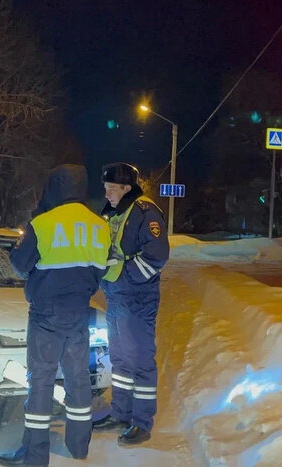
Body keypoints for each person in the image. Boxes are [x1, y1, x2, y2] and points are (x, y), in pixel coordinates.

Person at [0, 164, 111, 467]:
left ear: (54, 187)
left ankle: (35, 456)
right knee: (77, 379)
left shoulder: (44, 224)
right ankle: (78, 447)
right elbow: (103, 268)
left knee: (41, 381)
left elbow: (20, 267)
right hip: (79, 312)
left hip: (46, 314)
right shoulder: (99, 225)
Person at [92, 162, 169, 446]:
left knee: (139, 361)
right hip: (116, 295)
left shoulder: (144, 212)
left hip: (137, 298)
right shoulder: (115, 211)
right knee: (121, 359)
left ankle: (142, 422)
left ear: (127, 188)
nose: (108, 194)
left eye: (112, 189)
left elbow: (157, 255)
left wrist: (125, 272)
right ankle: (121, 413)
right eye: (106, 188)